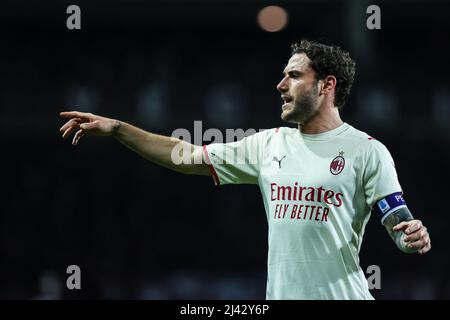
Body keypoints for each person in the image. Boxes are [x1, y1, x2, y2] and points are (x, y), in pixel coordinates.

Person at [59, 39, 431, 300]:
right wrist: (120, 129)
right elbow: (184, 155)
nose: (280, 84)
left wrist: (410, 235)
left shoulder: (367, 151)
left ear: (326, 85)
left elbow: (396, 218)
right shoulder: (268, 144)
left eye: (294, 76)